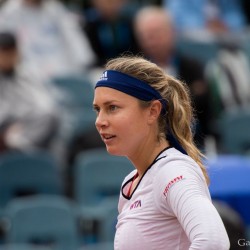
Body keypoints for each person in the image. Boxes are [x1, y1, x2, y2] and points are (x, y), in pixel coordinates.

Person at [93, 55, 230, 249]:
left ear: (152, 111)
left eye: (112, 107)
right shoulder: (131, 182)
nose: (100, 121)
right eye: (97, 109)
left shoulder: (171, 171)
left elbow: (213, 242)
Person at [133, 6, 211, 148]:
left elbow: (203, 107)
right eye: (145, 35)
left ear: (172, 32)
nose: (151, 40)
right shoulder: (136, 72)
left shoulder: (193, 68)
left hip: (194, 139)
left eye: (155, 34)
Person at [0, 0, 96, 82]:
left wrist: (84, 67)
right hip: (28, 78)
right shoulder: (9, 13)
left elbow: (77, 44)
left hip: (64, 76)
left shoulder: (55, 9)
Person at [0, 31, 62, 154]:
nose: (7, 58)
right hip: (4, 131)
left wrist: (16, 131)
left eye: (11, 52)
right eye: (3, 53)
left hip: (27, 131)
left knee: (51, 116)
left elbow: (46, 109)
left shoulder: (29, 74)